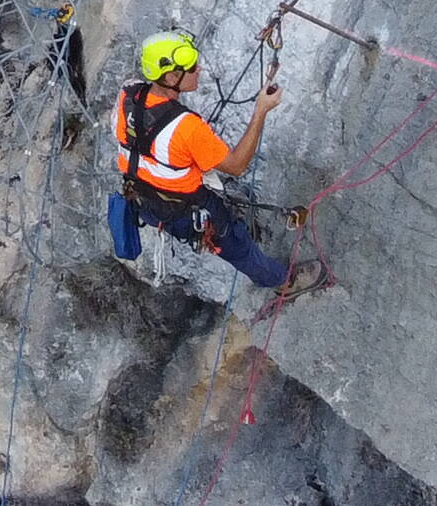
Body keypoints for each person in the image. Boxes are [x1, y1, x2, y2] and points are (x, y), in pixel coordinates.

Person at [105, 26, 310, 312]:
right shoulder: (187, 128)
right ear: (172, 77)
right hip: (186, 210)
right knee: (236, 245)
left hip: (142, 199)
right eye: (191, 68)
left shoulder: (129, 93)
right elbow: (237, 166)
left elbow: (143, 135)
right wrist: (261, 110)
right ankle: (281, 282)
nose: (199, 69)